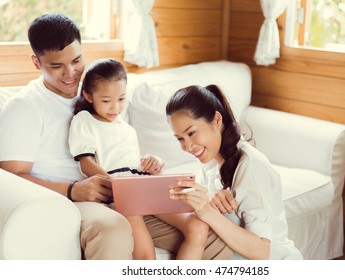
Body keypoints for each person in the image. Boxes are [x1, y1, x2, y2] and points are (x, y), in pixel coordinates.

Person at [0, 13, 231, 260]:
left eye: (77, 60)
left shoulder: (96, 91)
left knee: (212, 237)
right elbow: (11, 179)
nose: (71, 74)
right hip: (72, 201)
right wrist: (72, 190)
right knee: (115, 229)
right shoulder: (25, 107)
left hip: (122, 190)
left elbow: (114, 147)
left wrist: (142, 165)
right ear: (36, 62)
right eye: (56, 66)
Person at [69, 58, 211, 260]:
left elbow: (132, 161)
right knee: (146, 256)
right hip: (123, 193)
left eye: (121, 99)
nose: (115, 108)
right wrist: (117, 185)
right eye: (106, 101)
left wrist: (153, 162)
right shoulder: (84, 120)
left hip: (142, 185)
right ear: (88, 96)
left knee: (198, 226)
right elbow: (86, 163)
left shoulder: (126, 129)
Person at [165, 84, 303, 260]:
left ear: (216, 120)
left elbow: (261, 251)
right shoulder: (209, 158)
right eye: (180, 139)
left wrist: (206, 210)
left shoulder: (250, 165)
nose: (188, 146)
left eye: (192, 133)